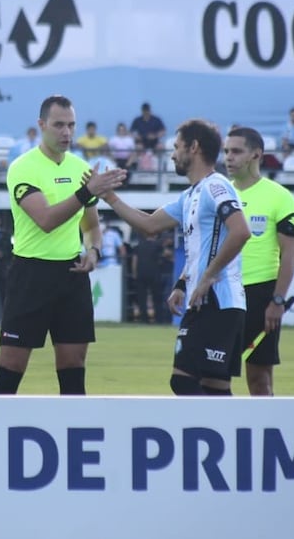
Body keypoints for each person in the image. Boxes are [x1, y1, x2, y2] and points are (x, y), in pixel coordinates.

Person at [101, 119, 251, 396]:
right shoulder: (189, 195)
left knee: (183, 380)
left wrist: (208, 276)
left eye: (176, 146)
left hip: (218, 301)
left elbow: (241, 232)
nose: (172, 154)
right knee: (214, 389)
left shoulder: (215, 185)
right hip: (205, 300)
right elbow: (149, 226)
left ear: (193, 147)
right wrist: (109, 198)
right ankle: (232, 437)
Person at [0, 95, 124, 396]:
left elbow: (90, 225)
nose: (66, 132)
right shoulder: (22, 168)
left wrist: (94, 250)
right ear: (41, 125)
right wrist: (87, 190)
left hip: (71, 275)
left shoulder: (80, 167)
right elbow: (46, 220)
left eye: (71, 125)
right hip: (31, 274)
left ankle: (73, 439)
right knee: (9, 371)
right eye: (59, 125)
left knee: (74, 372)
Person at [224, 126, 294, 396]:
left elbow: (290, 255)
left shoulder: (280, 197)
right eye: (226, 151)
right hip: (224, 295)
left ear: (256, 154)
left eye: (236, 151)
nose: (228, 158)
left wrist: (277, 301)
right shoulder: (220, 193)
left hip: (261, 296)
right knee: (213, 376)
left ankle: (264, 433)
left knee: (259, 378)